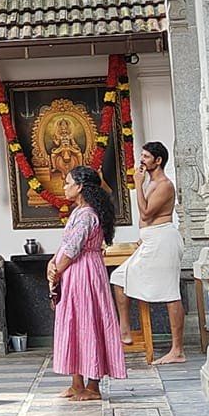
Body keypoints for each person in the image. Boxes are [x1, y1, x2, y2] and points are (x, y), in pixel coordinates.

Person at [48, 164, 126, 402]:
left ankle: (93, 386)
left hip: (84, 272)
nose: (64, 187)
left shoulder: (87, 215)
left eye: (68, 183)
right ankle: (76, 383)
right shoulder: (78, 212)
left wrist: (57, 271)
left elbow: (73, 249)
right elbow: (66, 244)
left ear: (80, 187)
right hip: (75, 271)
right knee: (74, 323)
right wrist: (52, 263)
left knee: (88, 323)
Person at [112, 140, 187, 365]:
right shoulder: (151, 183)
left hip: (164, 240)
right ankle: (125, 329)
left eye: (146, 156)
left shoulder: (164, 185)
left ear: (158, 160)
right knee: (118, 277)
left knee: (171, 292)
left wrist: (137, 184)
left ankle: (177, 350)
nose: (141, 160)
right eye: (142, 156)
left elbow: (146, 213)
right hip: (151, 240)